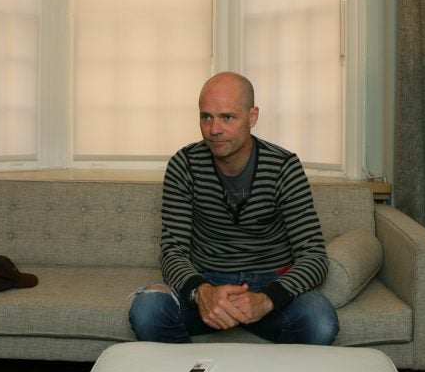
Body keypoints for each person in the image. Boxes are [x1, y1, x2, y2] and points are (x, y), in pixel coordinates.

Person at [129, 71, 339, 345]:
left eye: (227, 117)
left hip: (270, 284)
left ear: (252, 117)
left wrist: (266, 299)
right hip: (205, 281)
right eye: (206, 117)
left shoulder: (283, 166)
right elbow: (172, 251)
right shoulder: (184, 165)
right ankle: (194, 363)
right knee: (147, 310)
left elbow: (314, 256)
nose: (214, 129)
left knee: (320, 320)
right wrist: (202, 293)